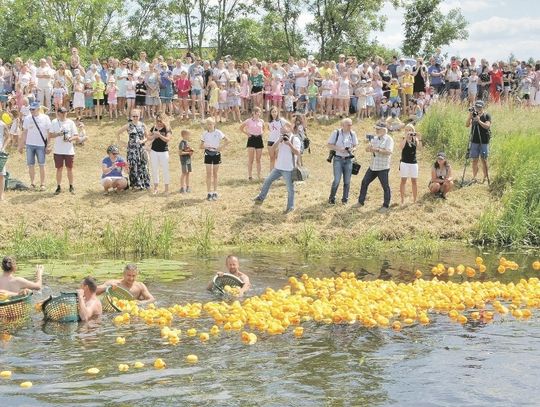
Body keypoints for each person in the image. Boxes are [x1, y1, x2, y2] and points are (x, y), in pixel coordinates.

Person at [253, 122, 301, 214]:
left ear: (289, 128)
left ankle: (290, 207)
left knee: (290, 188)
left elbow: (298, 153)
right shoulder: (280, 138)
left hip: (288, 169)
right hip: (278, 167)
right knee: (267, 180)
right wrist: (279, 140)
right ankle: (261, 197)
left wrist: (289, 144)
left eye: (283, 127)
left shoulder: (295, 139)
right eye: (281, 128)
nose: (281, 129)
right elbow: (272, 149)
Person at [354, 122, 394, 213]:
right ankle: (360, 202)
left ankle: (385, 205)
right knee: (364, 182)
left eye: (378, 129)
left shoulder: (389, 139)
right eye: (376, 128)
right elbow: (367, 149)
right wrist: (368, 148)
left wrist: (376, 149)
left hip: (383, 167)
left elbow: (389, 152)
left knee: (385, 186)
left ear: (384, 130)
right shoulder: (375, 138)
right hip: (373, 166)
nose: (376, 130)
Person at [19, 102, 51, 190]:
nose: (31, 111)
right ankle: (32, 183)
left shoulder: (45, 118)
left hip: (41, 145)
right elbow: (24, 132)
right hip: (29, 145)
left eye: (33, 109)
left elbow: (49, 133)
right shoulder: (27, 118)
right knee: (31, 165)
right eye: (30, 109)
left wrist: (48, 145)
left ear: (38, 109)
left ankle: (42, 184)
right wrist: (21, 145)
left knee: (42, 164)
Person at [116, 109, 150, 190]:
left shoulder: (143, 125)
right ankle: (135, 185)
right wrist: (121, 142)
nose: (135, 117)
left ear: (139, 116)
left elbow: (147, 137)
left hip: (141, 149)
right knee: (133, 166)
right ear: (131, 116)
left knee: (143, 166)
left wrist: (143, 141)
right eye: (133, 116)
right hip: (132, 150)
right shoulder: (128, 125)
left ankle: (144, 183)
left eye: (136, 116)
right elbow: (117, 133)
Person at [327, 118, 358, 204]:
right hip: (338, 159)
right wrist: (340, 149)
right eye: (348, 125)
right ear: (342, 125)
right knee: (337, 180)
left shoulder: (353, 134)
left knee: (347, 181)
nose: (350, 126)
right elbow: (329, 144)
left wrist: (352, 149)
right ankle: (331, 198)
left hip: (348, 160)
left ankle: (345, 200)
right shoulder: (336, 133)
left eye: (351, 124)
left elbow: (355, 145)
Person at [48, 107, 79, 195]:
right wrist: (58, 134)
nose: (64, 114)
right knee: (59, 169)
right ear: (58, 113)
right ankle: (58, 186)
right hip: (58, 150)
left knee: (70, 169)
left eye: (65, 112)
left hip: (69, 150)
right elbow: (50, 135)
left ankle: (71, 186)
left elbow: (76, 136)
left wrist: (70, 139)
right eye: (62, 112)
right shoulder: (54, 122)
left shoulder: (70, 122)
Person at [200, 117, 230, 201]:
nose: (209, 126)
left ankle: (215, 192)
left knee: (215, 174)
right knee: (208, 173)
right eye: (208, 124)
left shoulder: (218, 132)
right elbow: (201, 146)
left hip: (216, 154)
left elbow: (228, 140)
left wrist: (221, 147)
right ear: (206, 125)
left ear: (214, 124)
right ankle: (209, 193)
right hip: (208, 154)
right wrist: (206, 146)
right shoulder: (204, 134)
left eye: (211, 124)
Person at [465, 100, 491, 184]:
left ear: (483, 107)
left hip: (484, 141)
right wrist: (470, 116)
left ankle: (486, 177)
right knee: (474, 160)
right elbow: (467, 125)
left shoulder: (487, 115)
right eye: (477, 107)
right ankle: (474, 177)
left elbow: (487, 126)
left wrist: (479, 121)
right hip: (474, 140)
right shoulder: (473, 115)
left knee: (484, 159)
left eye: (480, 107)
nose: (478, 109)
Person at [149, 113, 172, 194]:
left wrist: (159, 135)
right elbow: (148, 137)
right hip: (154, 151)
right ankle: (155, 187)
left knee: (165, 170)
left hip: (164, 151)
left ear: (164, 121)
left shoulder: (167, 129)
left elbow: (168, 139)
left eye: (160, 121)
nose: (159, 123)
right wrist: (154, 136)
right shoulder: (154, 128)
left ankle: (166, 189)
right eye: (157, 121)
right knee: (154, 169)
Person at [399, 124, 422, 204]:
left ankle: (414, 199)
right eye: (407, 130)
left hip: (413, 162)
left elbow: (419, 149)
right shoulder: (403, 139)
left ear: (413, 131)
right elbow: (401, 147)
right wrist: (406, 137)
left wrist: (419, 138)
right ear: (405, 131)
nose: (409, 132)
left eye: (411, 130)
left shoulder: (415, 139)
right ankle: (402, 199)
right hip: (404, 162)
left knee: (414, 181)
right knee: (403, 181)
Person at [240, 106, 264, 181]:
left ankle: (259, 175)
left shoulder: (261, 121)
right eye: (256, 112)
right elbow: (241, 128)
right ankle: (250, 176)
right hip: (251, 139)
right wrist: (247, 133)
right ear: (253, 113)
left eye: (259, 112)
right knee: (251, 159)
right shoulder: (248, 121)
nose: (257, 114)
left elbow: (264, 128)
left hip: (259, 139)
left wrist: (262, 133)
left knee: (258, 159)